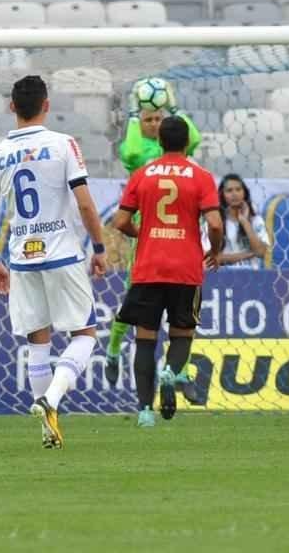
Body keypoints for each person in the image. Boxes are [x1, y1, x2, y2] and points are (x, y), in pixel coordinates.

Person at [0, 75, 108, 449]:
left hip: (22, 257)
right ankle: (51, 398)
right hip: (63, 253)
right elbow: (84, 203)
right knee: (84, 334)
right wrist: (99, 247)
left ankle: (47, 428)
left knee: (38, 341)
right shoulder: (64, 144)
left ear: (11, 106)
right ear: (46, 105)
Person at [112, 116, 224, 428]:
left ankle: (145, 412)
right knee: (182, 333)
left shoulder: (142, 174)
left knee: (145, 338)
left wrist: (144, 232)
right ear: (187, 142)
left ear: (159, 142)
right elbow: (214, 223)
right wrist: (214, 251)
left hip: (149, 267)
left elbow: (120, 222)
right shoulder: (201, 176)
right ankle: (171, 373)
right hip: (185, 268)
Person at [105, 78, 202, 386]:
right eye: (148, 119)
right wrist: (134, 116)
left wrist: (174, 110)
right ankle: (113, 347)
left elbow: (193, 136)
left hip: (177, 241)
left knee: (184, 314)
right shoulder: (137, 153)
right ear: (140, 121)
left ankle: (181, 371)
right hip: (148, 242)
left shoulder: (175, 148)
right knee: (131, 301)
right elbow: (132, 150)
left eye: (159, 119)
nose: (154, 124)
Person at [216, 173, 269, 269]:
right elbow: (214, 258)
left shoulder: (256, 221)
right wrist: (248, 254)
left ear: (244, 193)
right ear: (222, 195)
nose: (234, 194)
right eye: (229, 190)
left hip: (252, 276)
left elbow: (261, 252)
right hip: (223, 276)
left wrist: (244, 222)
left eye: (238, 189)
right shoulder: (216, 222)